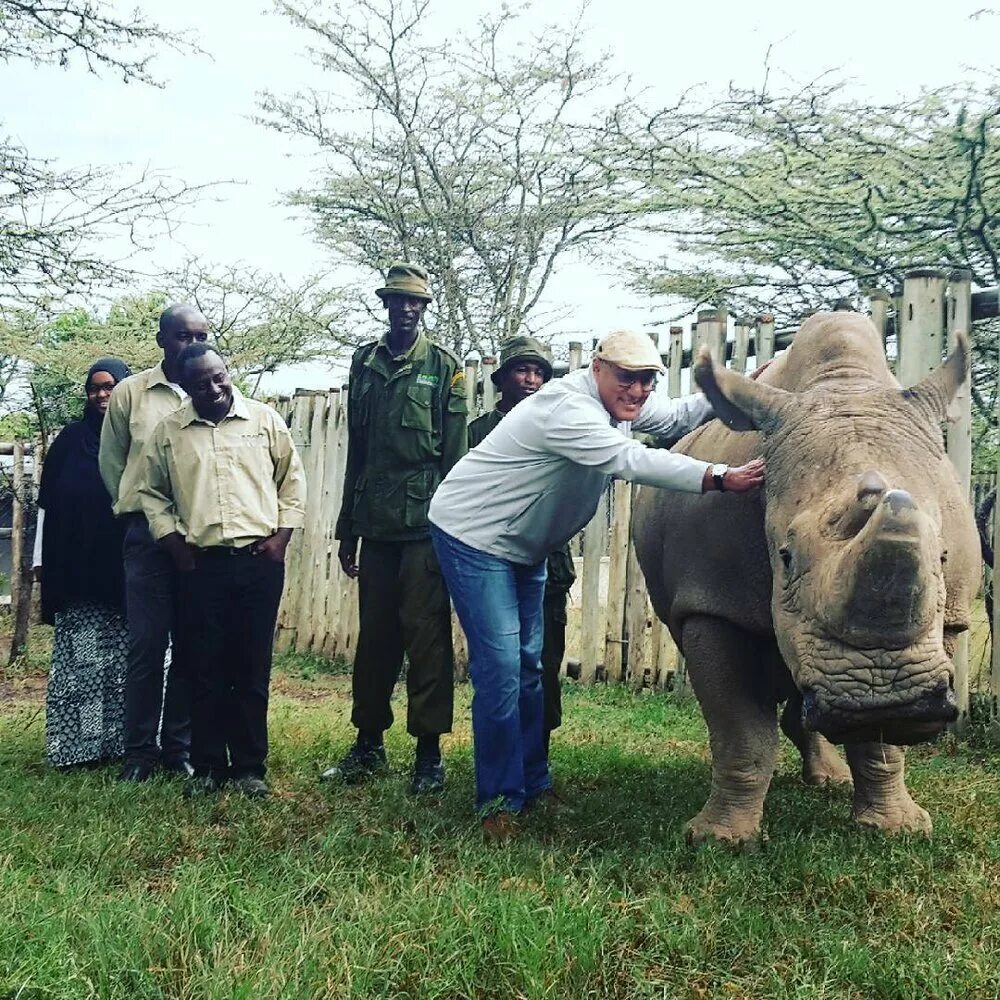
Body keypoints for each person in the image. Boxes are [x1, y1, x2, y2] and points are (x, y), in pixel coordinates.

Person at [428, 329, 766, 839]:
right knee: (500, 667)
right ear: (598, 367)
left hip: (526, 543)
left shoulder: (616, 404)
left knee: (529, 664)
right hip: (475, 536)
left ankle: (533, 783)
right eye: (627, 378)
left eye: (647, 381)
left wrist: (734, 390)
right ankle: (497, 800)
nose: (637, 391)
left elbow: (675, 419)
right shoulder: (567, 408)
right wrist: (719, 476)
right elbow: (629, 461)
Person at [321, 262, 467, 795]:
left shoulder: (444, 366)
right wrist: (347, 528)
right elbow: (356, 453)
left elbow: (455, 460)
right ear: (385, 305)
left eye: (415, 303)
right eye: (397, 301)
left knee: (426, 639)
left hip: (426, 525)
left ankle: (429, 754)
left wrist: (453, 533)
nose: (406, 309)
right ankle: (368, 744)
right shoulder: (364, 362)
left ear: (424, 309)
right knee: (375, 640)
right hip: (375, 522)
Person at [137, 344, 306, 797]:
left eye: (219, 377)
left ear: (228, 373)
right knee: (203, 667)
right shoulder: (171, 431)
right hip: (200, 567)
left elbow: (292, 480)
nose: (212, 388)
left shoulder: (265, 421)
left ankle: (250, 767)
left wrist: (281, 538)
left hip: (258, 564)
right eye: (200, 383)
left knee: (251, 667)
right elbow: (151, 492)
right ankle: (209, 766)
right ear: (186, 387)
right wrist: (174, 545)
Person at [99, 304, 209, 782]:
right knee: (146, 646)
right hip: (146, 539)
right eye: (184, 336)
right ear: (163, 339)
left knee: (190, 645)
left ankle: (177, 750)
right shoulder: (131, 394)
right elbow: (112, 462)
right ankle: (138, 754)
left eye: (202, 335)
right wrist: (137, 510)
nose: (194, 344)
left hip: (199, 541)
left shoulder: (213, 387)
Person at [467, 335, 575, 757]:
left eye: (538, 373)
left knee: (544, 666)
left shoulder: (561, 428)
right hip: (492, 566)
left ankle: (537, 764)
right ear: (503, 380)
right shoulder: (477, 433)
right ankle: (501, 766)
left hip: (548, 568)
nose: (530, 380)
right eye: (521, 371)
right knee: (500, 669)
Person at [33, 358, 133, 767]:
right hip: (78, 572)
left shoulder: (138, 437)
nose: (102, 394)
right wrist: (40, 559)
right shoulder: (69, 442)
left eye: (110, 386)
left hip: (128, 571)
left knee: (130, 661)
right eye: (94, 388)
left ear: (126, 389)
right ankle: (80, 748)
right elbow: (46, 506)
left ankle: (129, 746)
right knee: (85, 661)